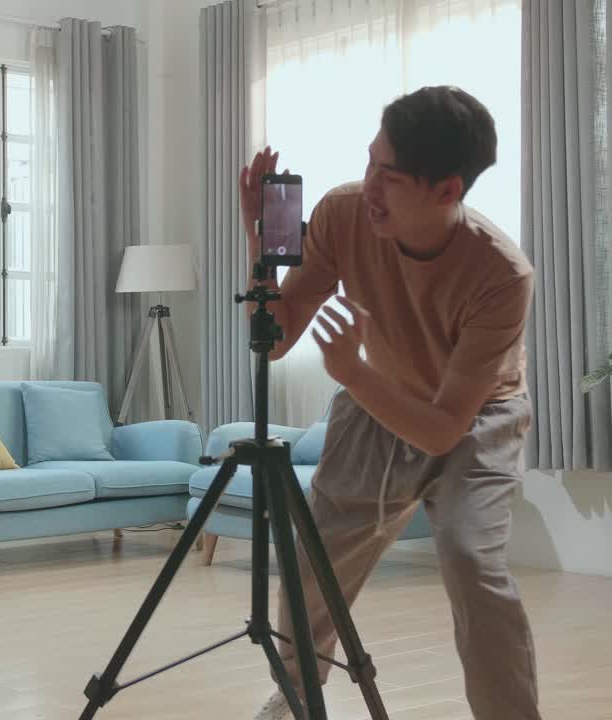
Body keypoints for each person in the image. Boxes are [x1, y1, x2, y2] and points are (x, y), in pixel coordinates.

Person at [240, 86, 542, 720]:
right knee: (316, 552)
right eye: (370, 163)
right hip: (379, 395)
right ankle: (299, 690)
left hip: (478, 419)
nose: (370, 186)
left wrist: (349, 369)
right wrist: (262, 246)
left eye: (392, 176)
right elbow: (277, 338)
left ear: (447, 191)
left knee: (469, 560)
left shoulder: (502, 275)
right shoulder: (343, 213)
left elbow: (441, 431)